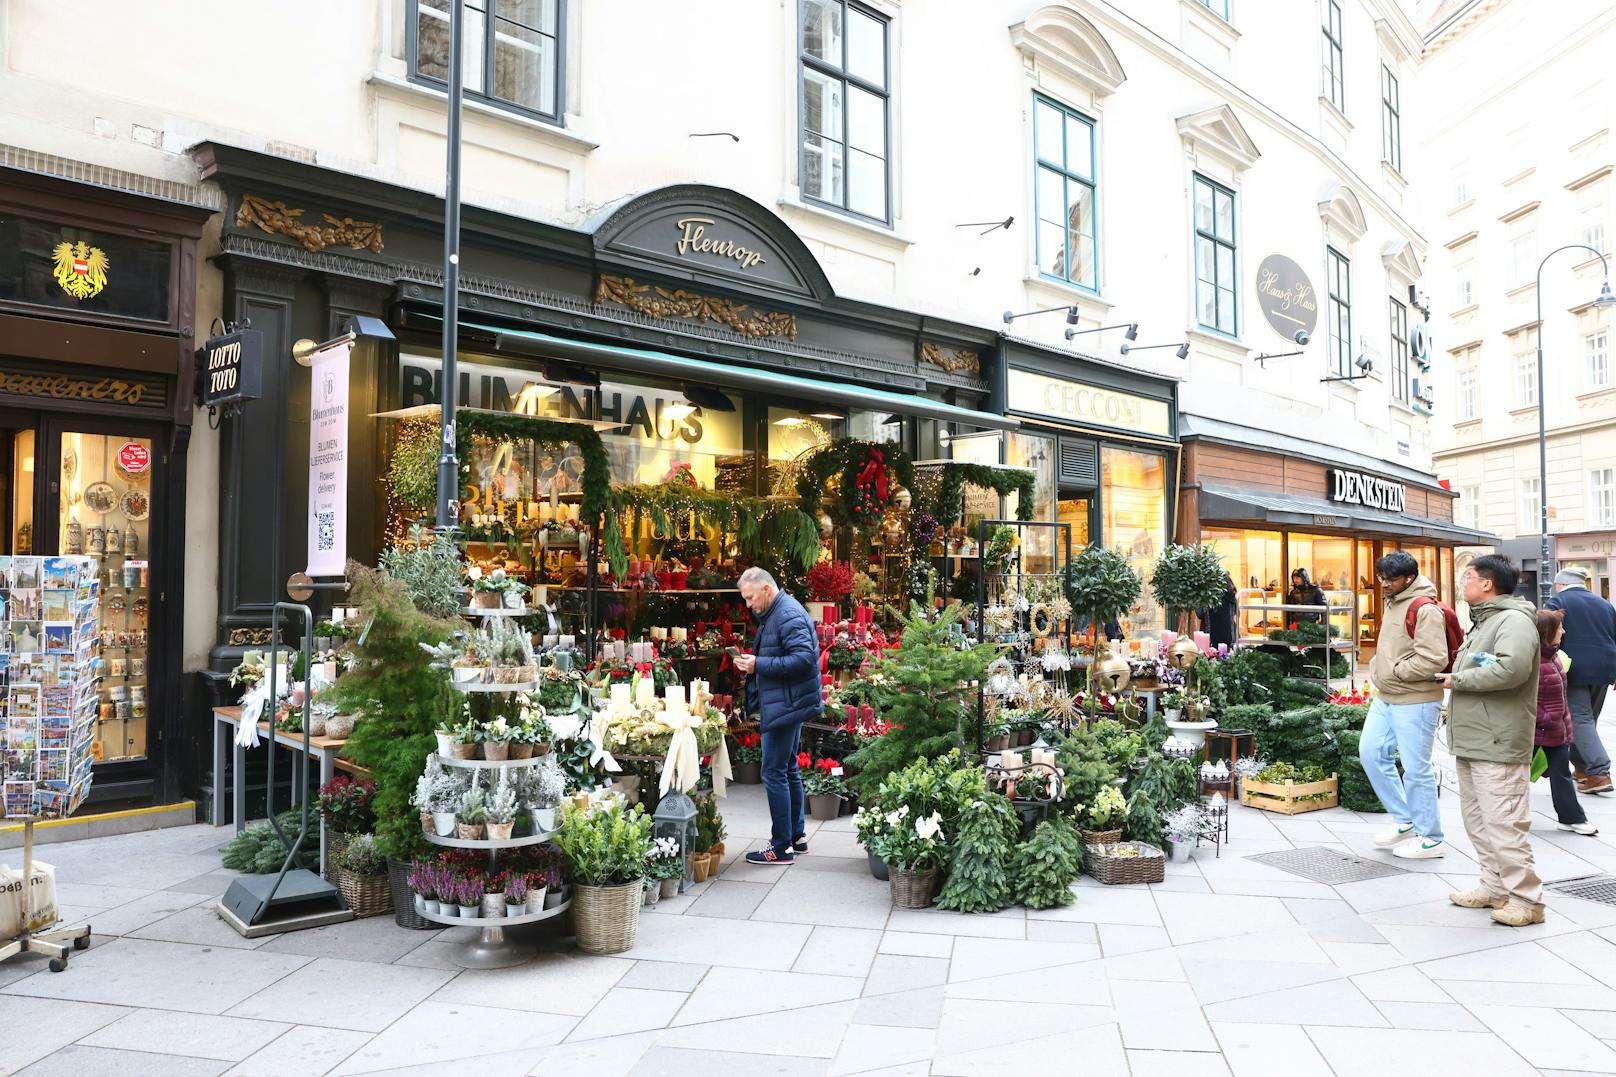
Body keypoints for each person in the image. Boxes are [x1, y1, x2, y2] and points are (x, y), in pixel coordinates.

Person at [1437, 554, 1545, 926]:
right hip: (1474, 738)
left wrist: (1458, 680)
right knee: (1479, 821)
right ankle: (1493, 886)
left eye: (1468, 576)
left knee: (1504, 822)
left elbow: (1511, 669)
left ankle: (1526, 900)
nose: (1462, 583)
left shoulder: (1512, 620)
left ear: (1487, 584)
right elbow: (1486, 664)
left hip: (1498, 739)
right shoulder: (1485, 621)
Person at [1362, 551, 1449, 859]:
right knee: (1371, 753)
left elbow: (1434, 658)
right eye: (1381, 578)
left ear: (1408, 579)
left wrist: (1396, 672)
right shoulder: (1394, 600)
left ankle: (1431, 837)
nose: (1383, 584)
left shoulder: (1424, 608)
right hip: (1386, 697)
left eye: (1390, 579)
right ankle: (1405, 820)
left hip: (1416, 700)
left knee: (1416, 769)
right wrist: (1379, 668)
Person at [734, 567, 823, 865]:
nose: (748, 605)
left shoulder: (787, 614)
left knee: (773, 772)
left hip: (786, 705)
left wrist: (758, 664)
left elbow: (804, 659)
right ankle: (796, 838)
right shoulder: (779, 612)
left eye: (750, 597)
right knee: (787, 768)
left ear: (766, 590)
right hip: (788, 701)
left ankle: (781, 846)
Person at [1545, 567, 1616, 796]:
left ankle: (1599, 771)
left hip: (1573, 670)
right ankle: (1583, 769)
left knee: (1580, 719)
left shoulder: (1557, 603)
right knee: (1586, 720)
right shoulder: (1604, 604)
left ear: (1560, 584)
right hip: (1605, 669)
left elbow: (1546, 637)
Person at [1536, 609, 1598, 836]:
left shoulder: (1554, 656)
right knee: (1516, 777)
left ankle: (1572, 818)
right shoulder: (1538, 662)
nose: (1564, 630)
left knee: (1561, 773)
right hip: (1541, 729)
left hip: (1555, 729)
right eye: (1559, 627)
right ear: (1547, 632)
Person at [1200, 571, 1239, 651]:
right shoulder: (1231, 595)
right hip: (1230, 638)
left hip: (1212, 639)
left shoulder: (1208, 595)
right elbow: (1237, 613)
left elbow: (1200, 613)